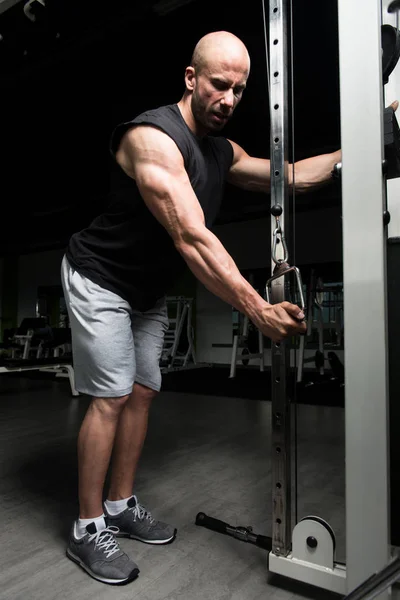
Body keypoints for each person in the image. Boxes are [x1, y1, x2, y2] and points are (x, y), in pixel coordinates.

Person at [60, 30, 342, 585]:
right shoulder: (153, 138)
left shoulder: (221, 150)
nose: (229, 99)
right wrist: (259, 308)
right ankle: (88, 527)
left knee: (143, 393)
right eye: (219, 85)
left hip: (146, 290)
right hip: (100, 277)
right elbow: (192, 237)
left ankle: (120, 505)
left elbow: (288, 177)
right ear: (191, 79)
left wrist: (356, 146)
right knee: (112, 396)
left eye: (239, 90)